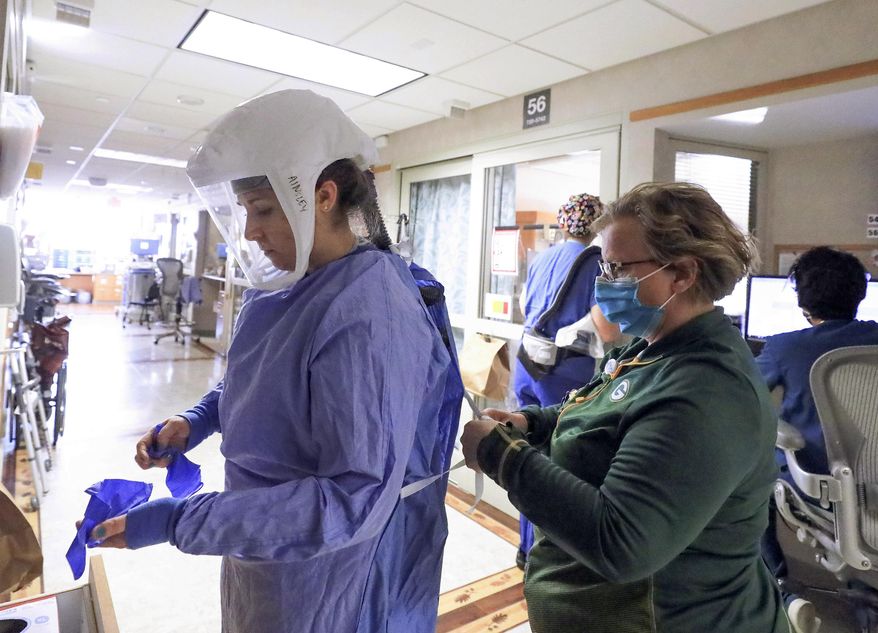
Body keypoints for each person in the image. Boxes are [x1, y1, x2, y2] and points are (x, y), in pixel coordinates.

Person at [85, 90, 460, 633]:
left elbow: (350, 499)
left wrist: (180, 520)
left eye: (262, 210)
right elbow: (262, 381)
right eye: (245, 212)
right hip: (257, 536)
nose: (249, 231)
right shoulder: (285, 283)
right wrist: (197, 421)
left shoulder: (369, 311)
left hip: (326, 575)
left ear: (322, 196)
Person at [461, 182, 787, 632]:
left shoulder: (706, 391)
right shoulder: (648, 347)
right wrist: (529, 423)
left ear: (684, 273)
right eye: (604, 267)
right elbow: (593, 407)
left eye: (617, 268)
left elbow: (622, 543)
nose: (603, 284)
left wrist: (503, 456)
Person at [757, 246, 878, 633]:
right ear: (861, 294)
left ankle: (778, 584)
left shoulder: (783, 346)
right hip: (874, 485)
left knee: (747, 481)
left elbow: (743, 398)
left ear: (801, 300)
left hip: (818, 488)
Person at [512, 192, 619, 568]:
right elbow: (605, 327)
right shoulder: (595, 263)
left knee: (523, 451)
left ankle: (524, 545)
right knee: (555, 464)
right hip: (564, 371)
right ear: (597, 225)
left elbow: (526, 307)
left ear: (562, 222)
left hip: (526, 364)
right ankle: (542, 551)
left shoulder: (541, 258)